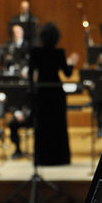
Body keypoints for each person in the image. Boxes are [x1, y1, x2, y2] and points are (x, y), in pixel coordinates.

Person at [29, 22, 79, 166]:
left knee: (42, 125)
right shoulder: (59, 52)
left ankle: (42, 158)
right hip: (56, 91)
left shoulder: (35, 52)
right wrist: (72, 62)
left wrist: (33, 90)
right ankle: (60, 158)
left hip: (42, 91)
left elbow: (31, 73)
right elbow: (68, 74)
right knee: (58, 125)